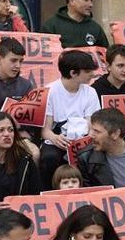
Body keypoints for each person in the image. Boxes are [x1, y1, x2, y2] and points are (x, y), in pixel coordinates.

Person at [39, 50, 101, 188]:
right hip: (59, 138)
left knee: (93, 156)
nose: (92, 74)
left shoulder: (90, 92)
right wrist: (56, 139)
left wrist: (82, 141)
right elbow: (45, 131)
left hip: (83, 139)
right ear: (73, 73)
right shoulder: (49, 91)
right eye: (88, 71)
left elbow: (92, 126)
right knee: (49, 158)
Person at [0, 111, 41, 223]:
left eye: (10, 130)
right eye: (0, 130)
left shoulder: (25, 161)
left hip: (17, 223)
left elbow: (36, 196)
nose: (7, 134)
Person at [39, 0, 109, 48]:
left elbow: (105, 55)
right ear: (71, 1)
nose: (91, 5)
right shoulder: (51, 25)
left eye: (91, 1)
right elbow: (43, 55)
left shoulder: (95, 28)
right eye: (86, 0)